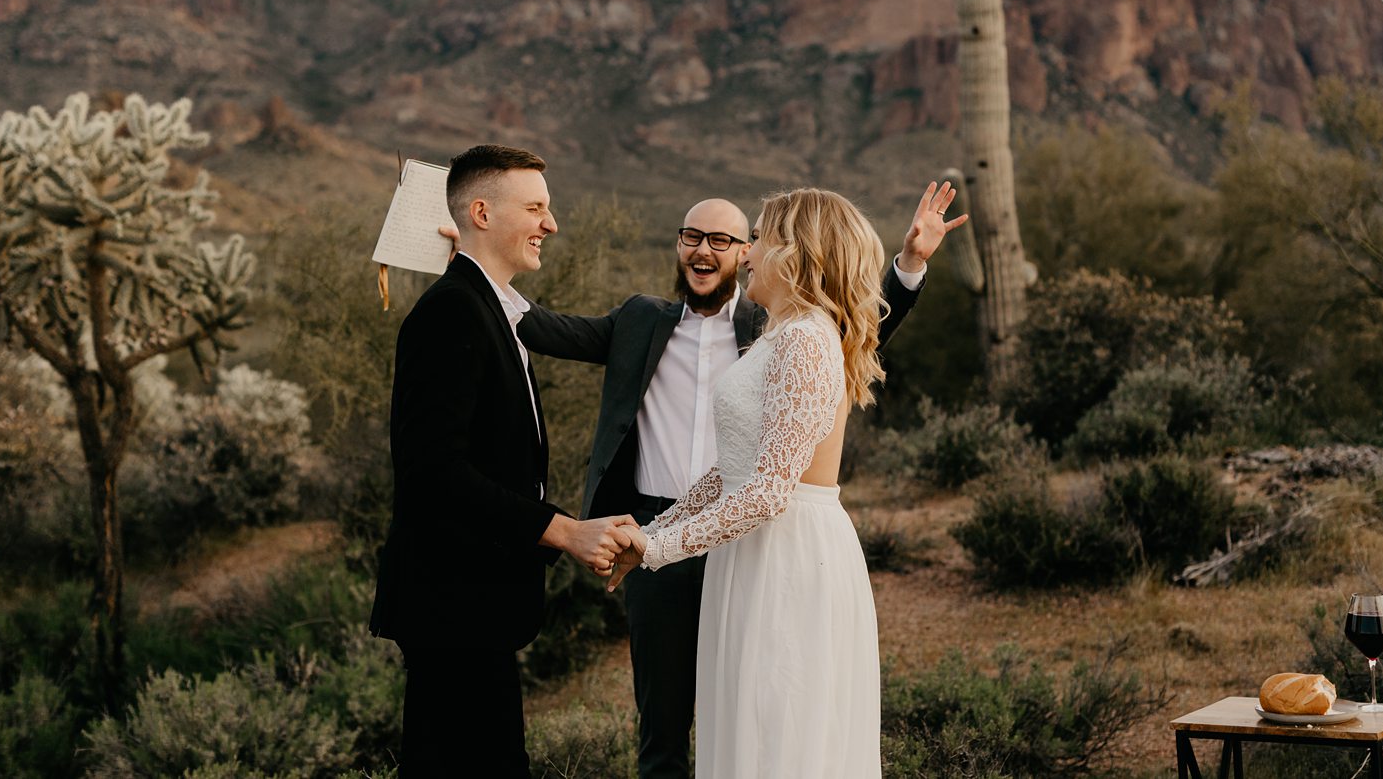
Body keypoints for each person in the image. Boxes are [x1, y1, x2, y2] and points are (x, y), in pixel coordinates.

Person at [513, 182, 962, 779]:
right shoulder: (664, 322)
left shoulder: (799, 336)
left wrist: (910, 265)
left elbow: (770, 486)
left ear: (792, 255)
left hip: (777, 546)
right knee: (699, 724)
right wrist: (652, 537)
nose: (740, 251)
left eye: (752, 239)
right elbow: (733, 470)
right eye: (695, 237)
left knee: (775, 724)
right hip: (707, 534)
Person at [368, 143, 639, 778]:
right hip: (453, 603)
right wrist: (564, 530)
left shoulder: (485, 305)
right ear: (483, 212)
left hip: (475, 604)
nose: (551, 224)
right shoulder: (449, 314)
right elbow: (434, 472)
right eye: (537, 208)